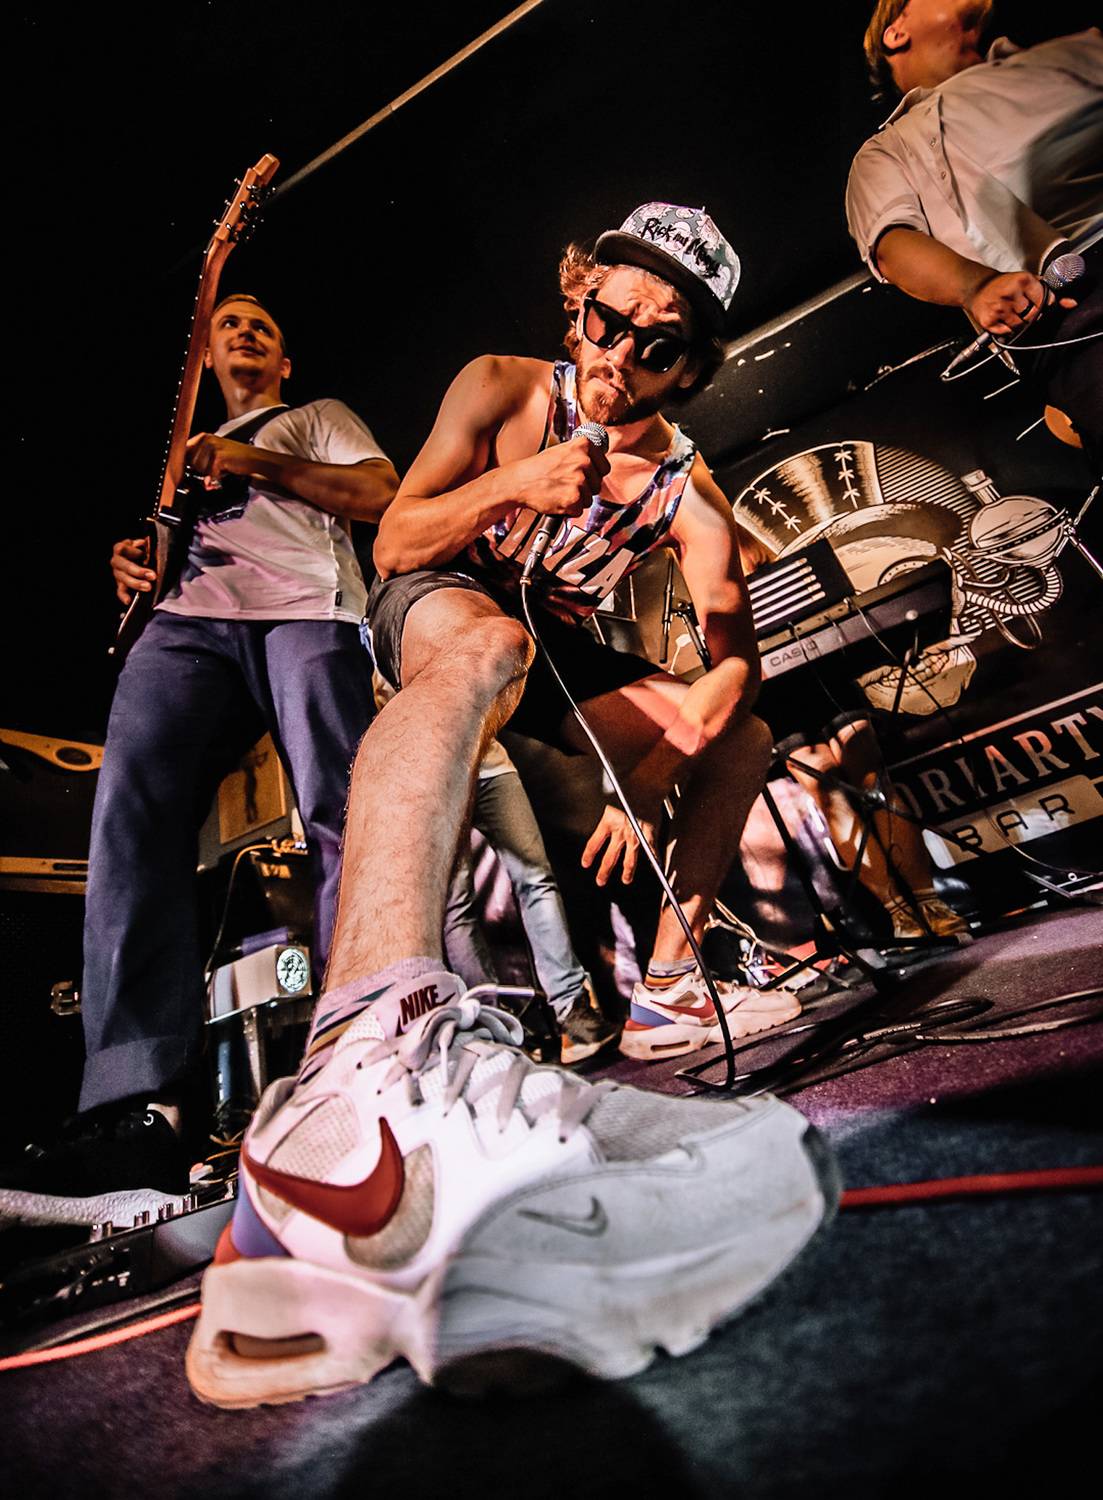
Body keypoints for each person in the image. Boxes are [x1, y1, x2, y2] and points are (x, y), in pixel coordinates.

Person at [184, 205, 834, 1408]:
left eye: (656, 345)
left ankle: (667, 989)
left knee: (741, 737)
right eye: (605, 321)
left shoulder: (685, 490)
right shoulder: (499, 384)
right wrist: (515, 484)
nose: (617, 357)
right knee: (484, 644)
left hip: (561, 648)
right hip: (445, 595)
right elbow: (396, 539)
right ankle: (353, 1060)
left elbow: (734, 655)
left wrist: (668, 748)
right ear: (576, 302)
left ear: (687, 368)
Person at [0, 294, 399, 1230]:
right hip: (187, 619)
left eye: (264, 324)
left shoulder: (314, 417)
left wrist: (250, 459)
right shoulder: (182, 460)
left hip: (305, 608)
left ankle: (368, 1045)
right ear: (208, 358)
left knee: (342, 808)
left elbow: (380, 494)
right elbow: (160, 551)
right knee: (128, 815)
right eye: (229, 325)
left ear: (286, 361)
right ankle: (139, 1107)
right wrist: (135, 562)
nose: (245, 331)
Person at [846, 5, 1103, 470]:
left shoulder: (1069, 53)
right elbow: (893, 242)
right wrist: (976, 285)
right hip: (1072, 308)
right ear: (896, 32)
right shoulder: (888, 149)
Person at [441, 737, 617, 1064]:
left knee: (537, 879)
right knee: (456, 908)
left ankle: (571, 1010)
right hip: (434, 781)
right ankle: (492, 1029)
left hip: (490, 764)